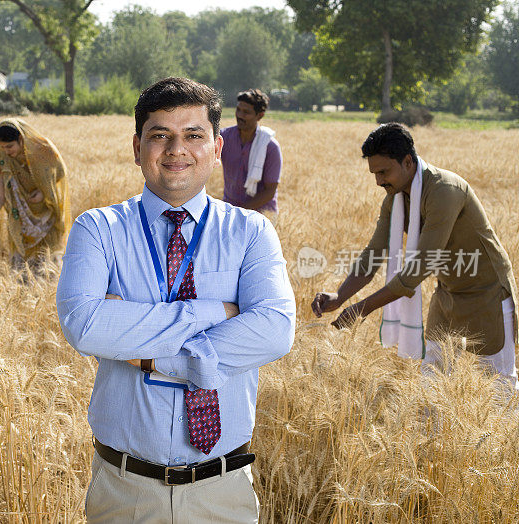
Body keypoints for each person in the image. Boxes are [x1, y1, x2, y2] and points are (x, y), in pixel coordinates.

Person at [56, 77, 296, 523]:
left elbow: (276, 332)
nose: (176, 150)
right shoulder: (98, 229)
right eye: (160, 135)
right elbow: (85, 325)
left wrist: (151, 356)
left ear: (217, 148)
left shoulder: (251, 232)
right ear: (136, 147)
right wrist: (215, 313)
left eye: (193, 135)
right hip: (125, 490)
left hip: (222, 491)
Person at [311, 123, 518, 395]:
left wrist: (363, 308)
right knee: (432, 380)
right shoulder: (396, 199)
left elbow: (420, 267)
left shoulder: (444, 190)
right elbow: (373, 254)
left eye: (384, 172)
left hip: (487, 294)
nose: (378, 181)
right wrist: (340, 297)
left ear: (408, 162)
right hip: (447, 294)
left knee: (498, 386)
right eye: (374, 173)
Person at [0, 118, 70, 270]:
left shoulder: (43, 150)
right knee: (21, 273)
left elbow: (59, 173)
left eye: (10, 146)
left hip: (46, 219)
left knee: (47, 270)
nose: (6, 151)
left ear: (21, 139)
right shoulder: (4, 159)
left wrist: (43, 193)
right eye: (1, 147)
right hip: (20, 224)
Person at [220, 89, 283, 223]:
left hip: (262, 217)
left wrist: (240, 211)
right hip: (230, 213)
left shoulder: (270, 147)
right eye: (238, 110)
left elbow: (270, 191)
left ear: (259, 116)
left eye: (246, 112)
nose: (240, 115)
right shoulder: (224, 138)